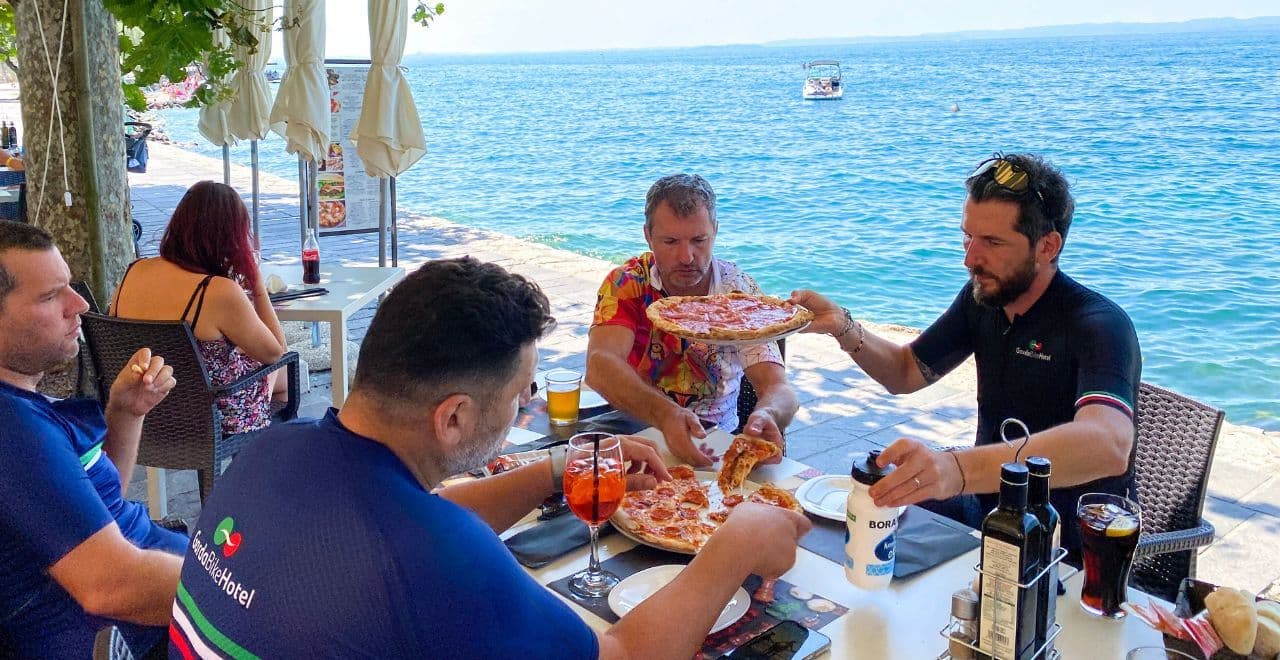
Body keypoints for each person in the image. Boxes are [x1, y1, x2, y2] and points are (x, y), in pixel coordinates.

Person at [170, 257, 810, 658]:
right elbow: (624, 652)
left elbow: (420, 517)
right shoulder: (433, 559)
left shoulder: (271, 451)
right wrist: (735, 546)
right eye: (518, 395)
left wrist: (559, 467)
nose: (523, 407)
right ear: (452, 417)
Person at [792, 152, 1141, 558]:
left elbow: (1109, 445)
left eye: (992, 243)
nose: (970, 259)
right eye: (968, 236)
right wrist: (843, 326)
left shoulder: (1099, 324)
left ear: (1047, 246)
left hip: (1065, 545)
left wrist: (957, 470)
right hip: (983, 515)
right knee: (852, 528)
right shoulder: (985, 300)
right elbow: (906, 372)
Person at [0, 222, 184, 657]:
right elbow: (112, 587)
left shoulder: (22, 403)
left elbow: (96, 508)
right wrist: (244, 590)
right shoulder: (14, 430)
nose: (79, 304)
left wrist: (125, 413)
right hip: (141, 637)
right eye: (50, 296)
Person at [587, 174, 799, 467]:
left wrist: (767, 415)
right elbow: (600, 365)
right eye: (670, 241)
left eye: (699, 240)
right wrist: (666, 414)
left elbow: (779, 389)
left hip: (715, 438)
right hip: (636, 429)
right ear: (648, 236)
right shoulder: (628, 282)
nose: (686, 257)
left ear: (715, 231)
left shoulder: (737, 293)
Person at [109, 181, 287, 437]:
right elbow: (274, 353)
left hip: (146, 409)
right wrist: (257, 284)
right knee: (284, 372)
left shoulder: (134, 271)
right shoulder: (216, 291)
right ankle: (257, 460)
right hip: (210, 419)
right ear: (229, 238)